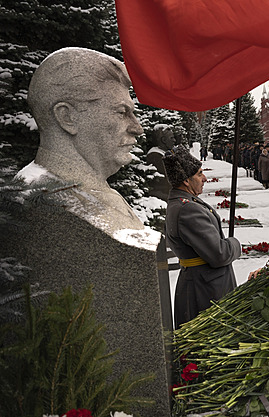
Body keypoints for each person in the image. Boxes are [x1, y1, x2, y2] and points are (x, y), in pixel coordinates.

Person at [21, 47, 144, 236]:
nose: (137, 128)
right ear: (67, 117)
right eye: (121, 112)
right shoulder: (51, 204)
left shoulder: (88, 192)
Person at [163, 146, 241, 328]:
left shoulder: (184, 202)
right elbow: (219, 254)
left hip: (202, 284)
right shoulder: (187, 209)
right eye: (199, 174)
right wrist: (235, 244)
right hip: (206, 290)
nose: (204, 178)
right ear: (186, 181)